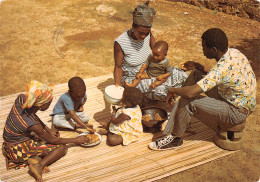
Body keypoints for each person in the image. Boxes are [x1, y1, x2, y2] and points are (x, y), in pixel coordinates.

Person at [148, 28, 257, 150]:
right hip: (234, 99)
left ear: (214, 50)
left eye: (204, 47)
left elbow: (190, 93)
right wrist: (199, 67)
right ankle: (179, 113)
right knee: (195, 74)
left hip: (236, 111)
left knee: (189, 100)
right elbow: (220, 76)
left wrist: (172, 90)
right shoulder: (233, 53)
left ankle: (175, 138)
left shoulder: (222, 68)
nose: (202, 50)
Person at [2, 81, 91, 182]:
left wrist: (48, 130)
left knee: (43, 138)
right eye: (49, 102)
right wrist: (76, 140)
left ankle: (35, 159)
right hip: (17, 150)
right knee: (62, 147)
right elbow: (53, 140)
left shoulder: (22, 99)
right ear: (41, 104)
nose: (50, 104)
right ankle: (39, 166)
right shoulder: (34, 126)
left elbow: (33, 115)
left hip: (11, 140)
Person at [113, 1, 187, 101]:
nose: (144, 36)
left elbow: (155, 49)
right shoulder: (120, 42)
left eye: (146, 33)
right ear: (133, 26)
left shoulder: (147, 33)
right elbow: (118, 67)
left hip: (151, 69)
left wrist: (162, 66)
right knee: (160, 90)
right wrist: (117, 88)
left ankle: (169, 93)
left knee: (182, 75)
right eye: (140, 33)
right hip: (133, 76)